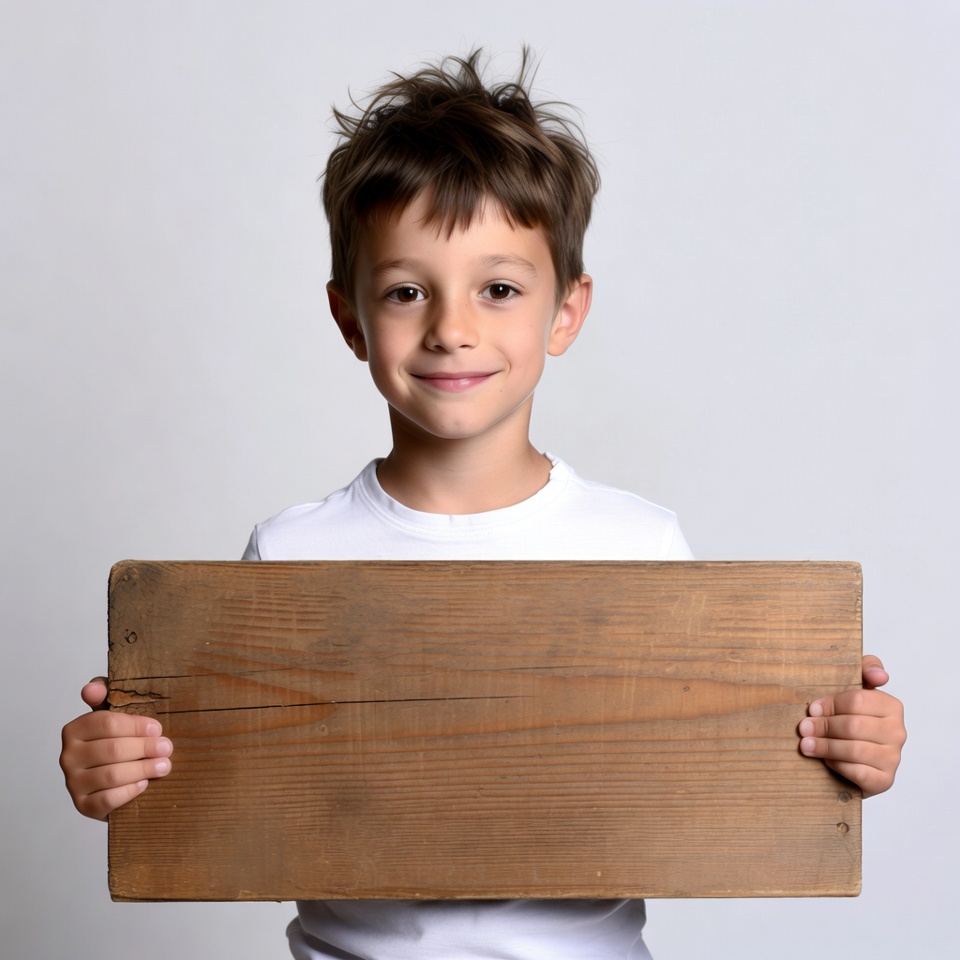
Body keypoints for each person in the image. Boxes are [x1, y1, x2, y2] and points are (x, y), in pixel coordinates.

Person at [60, 50, 906, 960]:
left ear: (566, 313)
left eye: (498, 289)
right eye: (406, 291)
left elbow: (716, 765)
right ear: (351, 321)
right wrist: (117, 768)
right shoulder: (292, 550)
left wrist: (851, 749)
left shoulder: (637, 543)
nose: (451, 327)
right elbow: (222, 784)